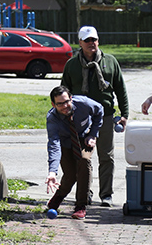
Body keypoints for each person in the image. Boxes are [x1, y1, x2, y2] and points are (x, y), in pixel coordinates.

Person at [61, 26, 129, 208]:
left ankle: (106, 195)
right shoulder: (72, 65)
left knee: (106, 156)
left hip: (106, 116)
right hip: (81, 119)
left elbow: (121, 89)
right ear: (80, 43)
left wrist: (124, 114)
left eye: (94, 40)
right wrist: (64, 115)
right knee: (84, 158)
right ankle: (86, 193)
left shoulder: (110, 62)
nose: (92, 43)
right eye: (88, 40)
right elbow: (64, 92)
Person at [45, 85, 104, 220]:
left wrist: (93, 134)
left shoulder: (83, 103)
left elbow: (99, 110)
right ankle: (58, 197)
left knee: (84, 162)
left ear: (71, 98)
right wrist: (52, 172)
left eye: (67, 101)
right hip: (66, 143)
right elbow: (54, 145)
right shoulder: (52, 118)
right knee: (70, 175)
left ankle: (80, 206)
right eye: (60, 104)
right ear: (53, 105)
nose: (65, 106)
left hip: (84, 138)